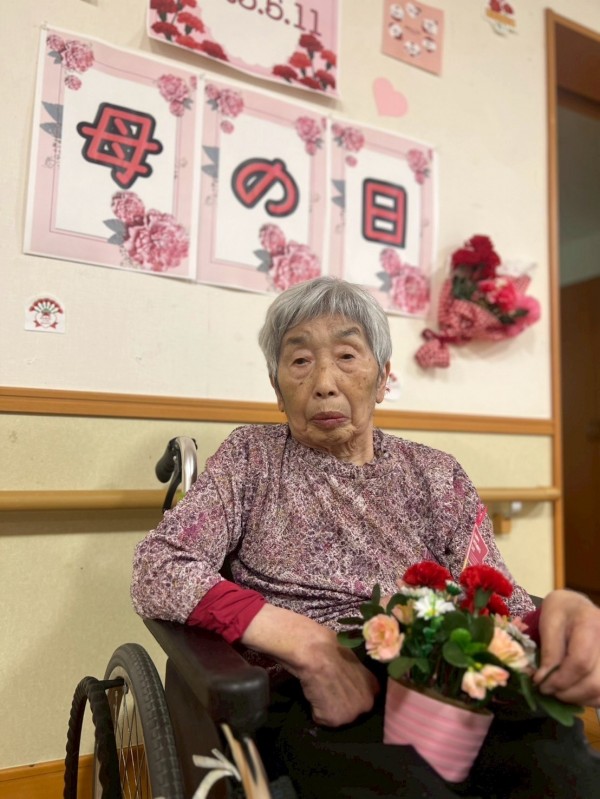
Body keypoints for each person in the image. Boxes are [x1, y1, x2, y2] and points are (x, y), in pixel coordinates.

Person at [132, 277, 600, 798]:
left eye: (348, 356)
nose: (324, 383)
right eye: (300, 360)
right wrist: (308, 643)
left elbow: (496, 603)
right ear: (277, 388)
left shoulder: (435, 474)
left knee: (562, 768)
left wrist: (564, 621)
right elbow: (159, 566)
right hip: (320, 701)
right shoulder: (252, 458)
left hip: (445, 680)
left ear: (382, 379)